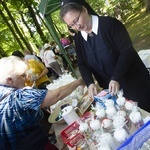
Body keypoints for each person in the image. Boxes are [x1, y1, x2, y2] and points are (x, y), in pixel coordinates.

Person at [60, 0, 150, 112]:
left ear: (84, 10)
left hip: (135, 83)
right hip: (112, 91)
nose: (77, 26)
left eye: (76, 20)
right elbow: (82, 64)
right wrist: (90, 83)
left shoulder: (110, 24)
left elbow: (127, 52)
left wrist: (116, 77)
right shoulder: (79, 39)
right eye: (71, 25)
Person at [0, 56, 84, 149]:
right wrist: (79, 81)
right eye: (23, 75)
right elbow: (57, 95)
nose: (27, 78)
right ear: (9, 80)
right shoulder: (19, 96)